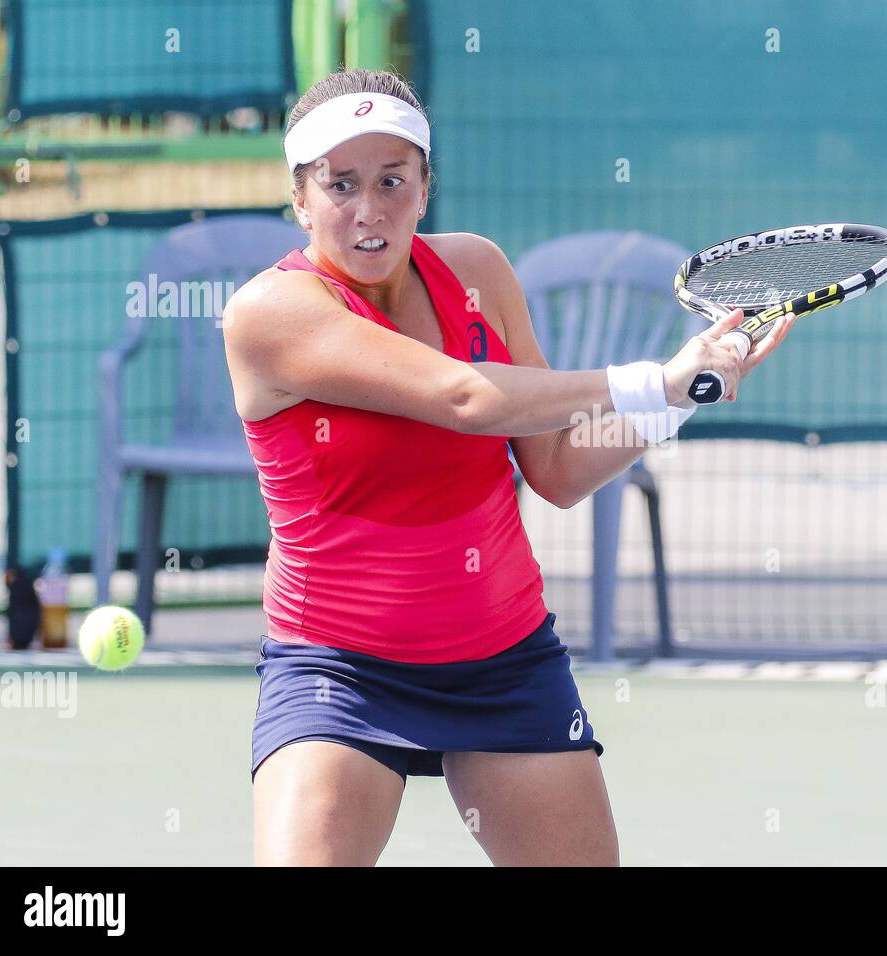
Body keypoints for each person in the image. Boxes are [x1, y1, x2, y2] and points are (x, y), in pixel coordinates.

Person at [223, 68, 796, 866]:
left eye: (393, 179)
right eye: (339, 184)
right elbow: (466, 398)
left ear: (425, 187)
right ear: (300, 199)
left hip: (503, 659)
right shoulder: (269, 313)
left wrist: (679, 397)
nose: (368, 209)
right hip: (339, 674)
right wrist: (649, 378)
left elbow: (557, 468)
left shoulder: (477, 272)